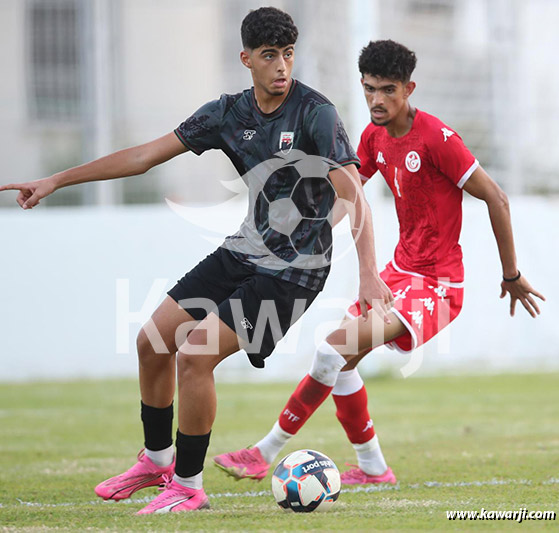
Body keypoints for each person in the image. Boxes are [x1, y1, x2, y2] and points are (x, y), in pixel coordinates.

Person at [0, 8, 393, 514]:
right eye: (270, 56)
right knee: (154, 340)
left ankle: (188, 485)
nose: (281, 67)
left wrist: (366, 274)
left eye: (288, 55)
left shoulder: (316, 112)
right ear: (246, 59)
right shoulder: (227, 113)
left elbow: (352, 193)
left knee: (196, 353)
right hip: (245, 250)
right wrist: (56, 179)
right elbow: (145, 156)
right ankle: (158, 460)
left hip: (294, 271)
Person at [213, 40, 545, 487]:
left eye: (388, 90)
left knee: (332, 348)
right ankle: (372, 467)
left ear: (409, 88)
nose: (376, 100)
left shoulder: (438, 138)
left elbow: (496, 197)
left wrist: (511, 274)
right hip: (397, 274)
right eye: (369, 89)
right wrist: (300, 237)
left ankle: (262, 452)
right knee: (340, 358)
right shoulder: (371, 137)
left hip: (439, 286)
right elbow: (347, 195)